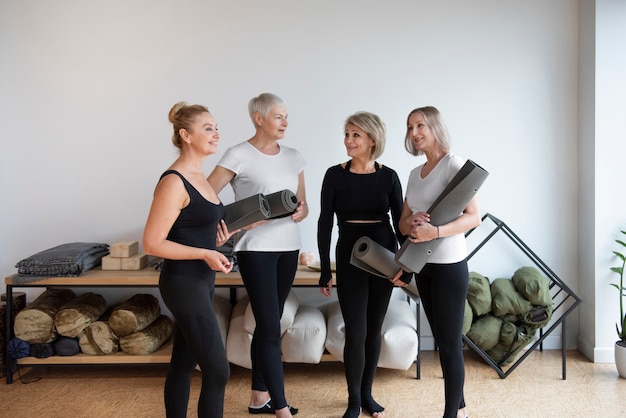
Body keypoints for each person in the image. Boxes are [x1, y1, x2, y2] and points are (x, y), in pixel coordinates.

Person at [207, 93, 308, 418]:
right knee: (268, 324)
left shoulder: (294, 156)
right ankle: (280, 408)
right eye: (279, 116)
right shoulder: (238, 154)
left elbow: (302, 206)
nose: (285, 123)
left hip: (288, 247)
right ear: (258, 118)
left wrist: (300, 211)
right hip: (256, 250)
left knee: (270, 323)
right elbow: (206, 196)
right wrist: (242, 219)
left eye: (286, 117)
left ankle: (258, 398)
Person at [143, 102, 237, 418]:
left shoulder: (200, 177)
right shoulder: (174, 181)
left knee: (183, 363)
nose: (216, 134)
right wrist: (204, 252)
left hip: (201, 281)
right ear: (185, 135)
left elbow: (190, 231)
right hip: (183, 283)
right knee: (218, 370)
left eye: (216, 127)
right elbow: (152, 243)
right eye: (207, 128)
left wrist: (214, 243)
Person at [317, 111, 411, 418]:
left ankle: (368, 394)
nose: (348, 140)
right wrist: (325, 270)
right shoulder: (334, 175)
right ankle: (353, 399)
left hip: (384, 257)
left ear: (372, 139)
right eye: (346, 134)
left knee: (373, 330)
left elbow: (401, 225)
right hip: (349, 256)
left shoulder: (389, 176)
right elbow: (324, 224)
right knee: (355, 331)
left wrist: (406, 266)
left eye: (355, 135)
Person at [396, 106, 481, 418]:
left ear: (434, 127)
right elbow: (403, 223)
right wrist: (413, 222)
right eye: (410, 127)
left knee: (448, 344)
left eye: (420, 125)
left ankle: (451, 415)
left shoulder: (453, 164)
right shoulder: (414, 175)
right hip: (424, 267)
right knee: (442, 341)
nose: (414, 133)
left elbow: (474, 218)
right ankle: (459, 407)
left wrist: (436, 232)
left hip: (449, 266)